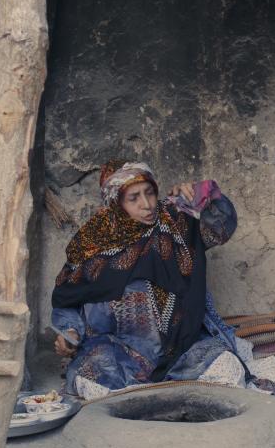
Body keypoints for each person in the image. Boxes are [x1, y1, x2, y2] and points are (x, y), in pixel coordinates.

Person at [50, 159, 239, 399]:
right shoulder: (91, 243)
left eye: (149, 193)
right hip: (119, 350)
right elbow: (69, 297)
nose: (147, 205)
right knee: (92, 376)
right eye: (134, 198)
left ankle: (154, 396)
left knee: (227, 368)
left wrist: (202, 195)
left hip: (181, 348)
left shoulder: (175, 220)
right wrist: (69, 333)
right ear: (115, 202)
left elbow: (222, 227)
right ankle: (153, 398)